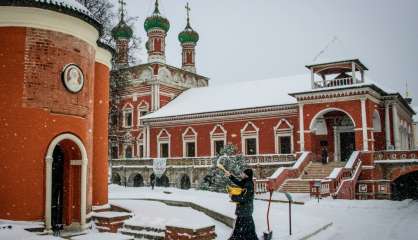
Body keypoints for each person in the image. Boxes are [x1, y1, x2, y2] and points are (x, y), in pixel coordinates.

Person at [225, 169, 259, 240]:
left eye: (243, 173)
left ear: (246, 175)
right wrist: (230, 176)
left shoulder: (248, 184)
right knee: (246, 230)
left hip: (245, 211)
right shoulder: (246, 182)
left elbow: (244, 198)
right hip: (245, 211)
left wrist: (233, 197)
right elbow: (239, 183)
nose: (241, 174)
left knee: (241, 231)